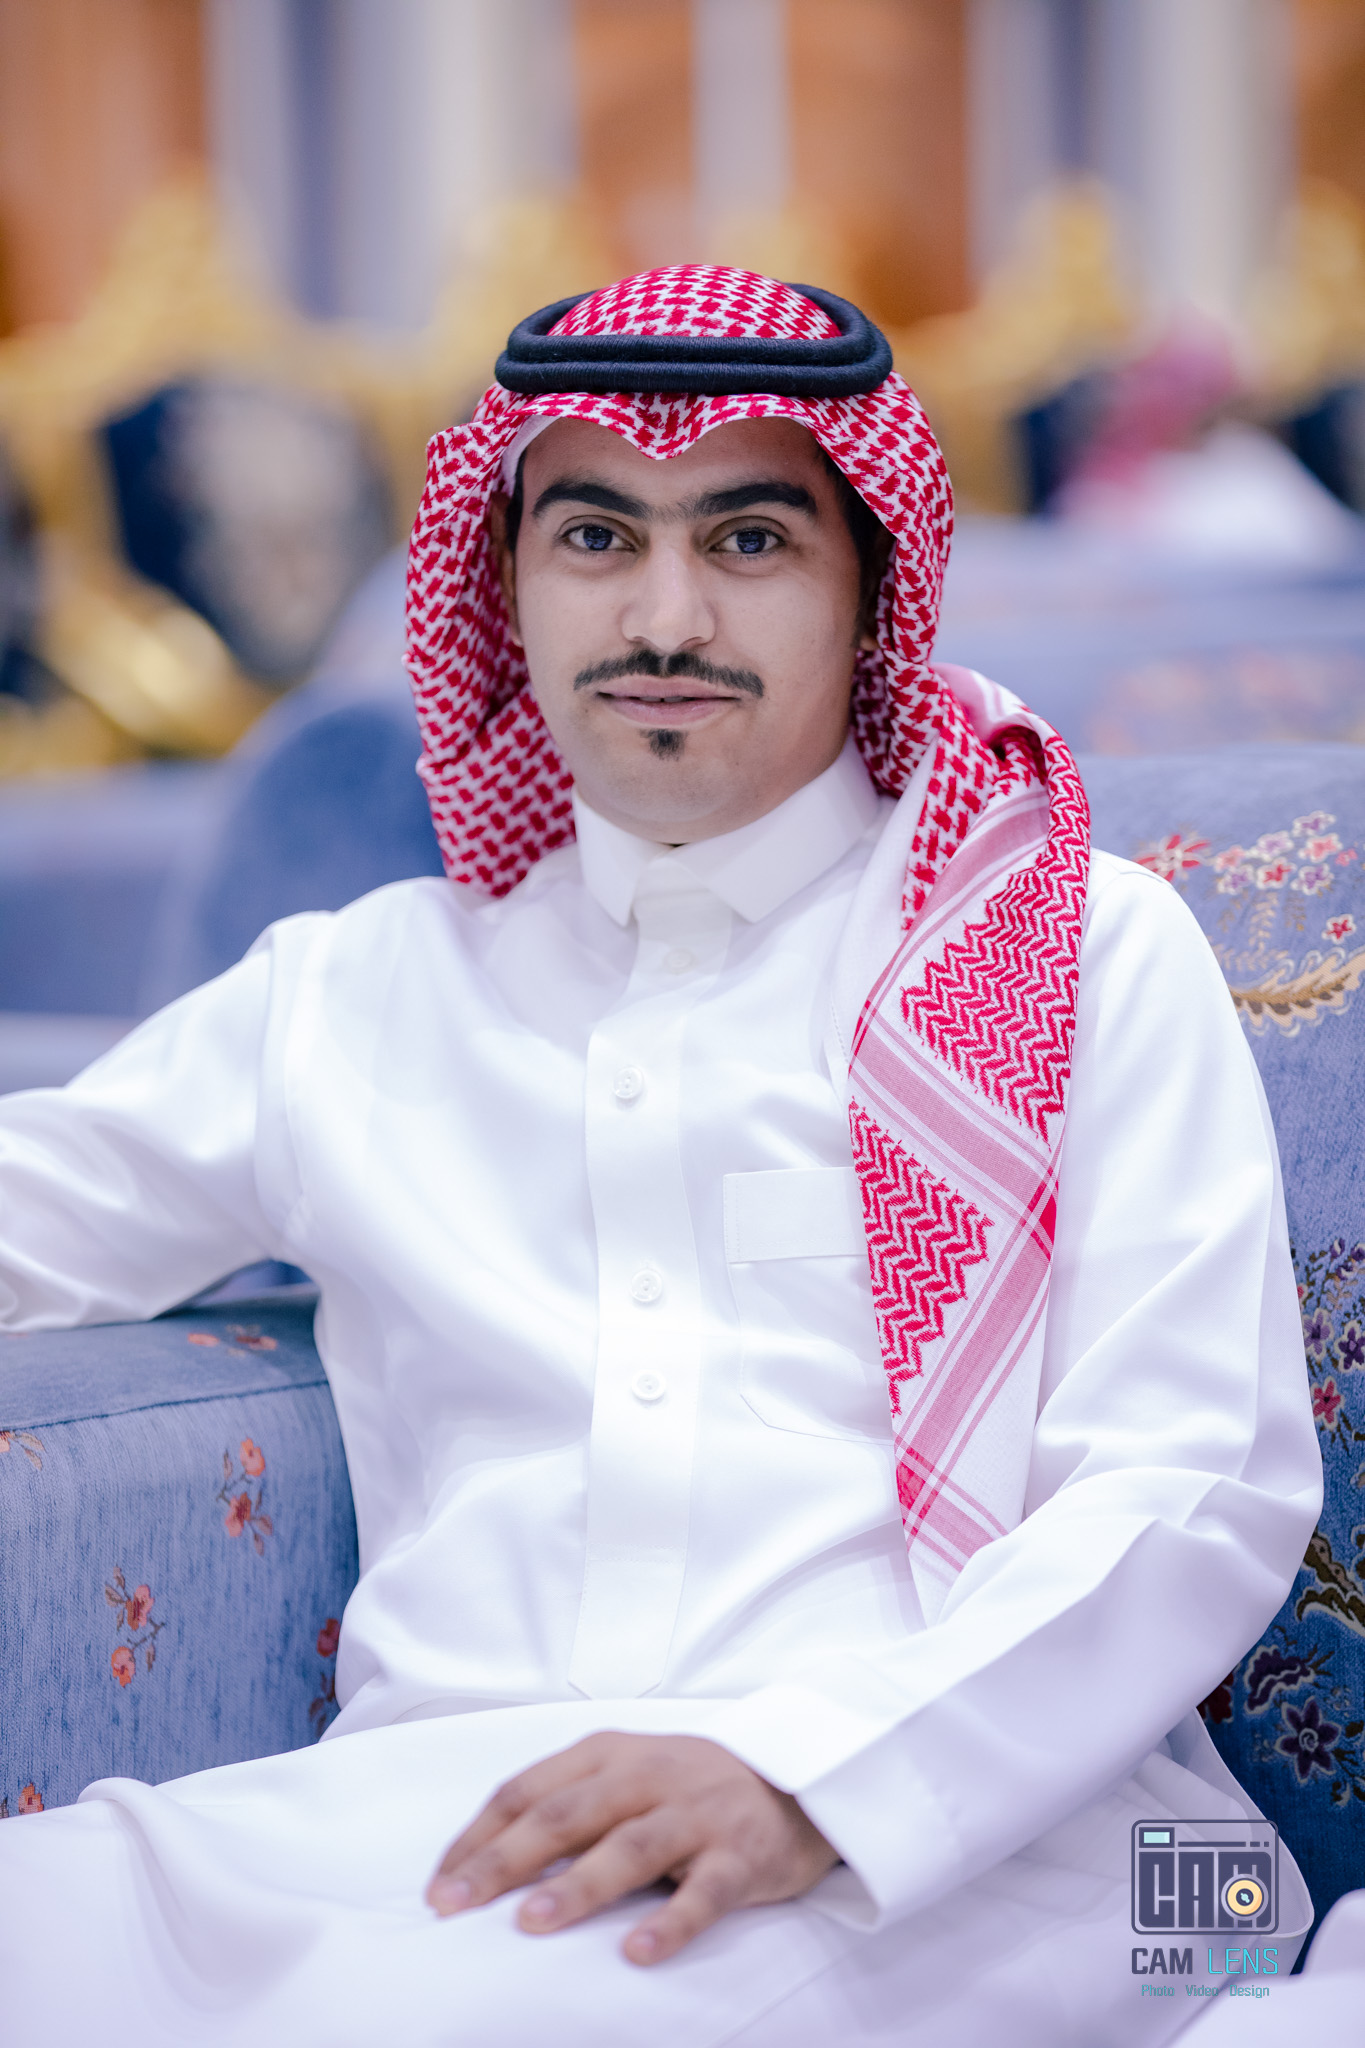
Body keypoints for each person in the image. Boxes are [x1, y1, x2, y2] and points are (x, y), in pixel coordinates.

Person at [0, 269, 1329, 2044]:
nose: (665, 616)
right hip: (426, 1820)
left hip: (997, 1837)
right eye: (596, 537)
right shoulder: (359, 993)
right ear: (506, 583)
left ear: (868, 589)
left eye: (750, 540)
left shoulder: (1072, 952)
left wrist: (807, 1782)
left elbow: (1186, 1486)